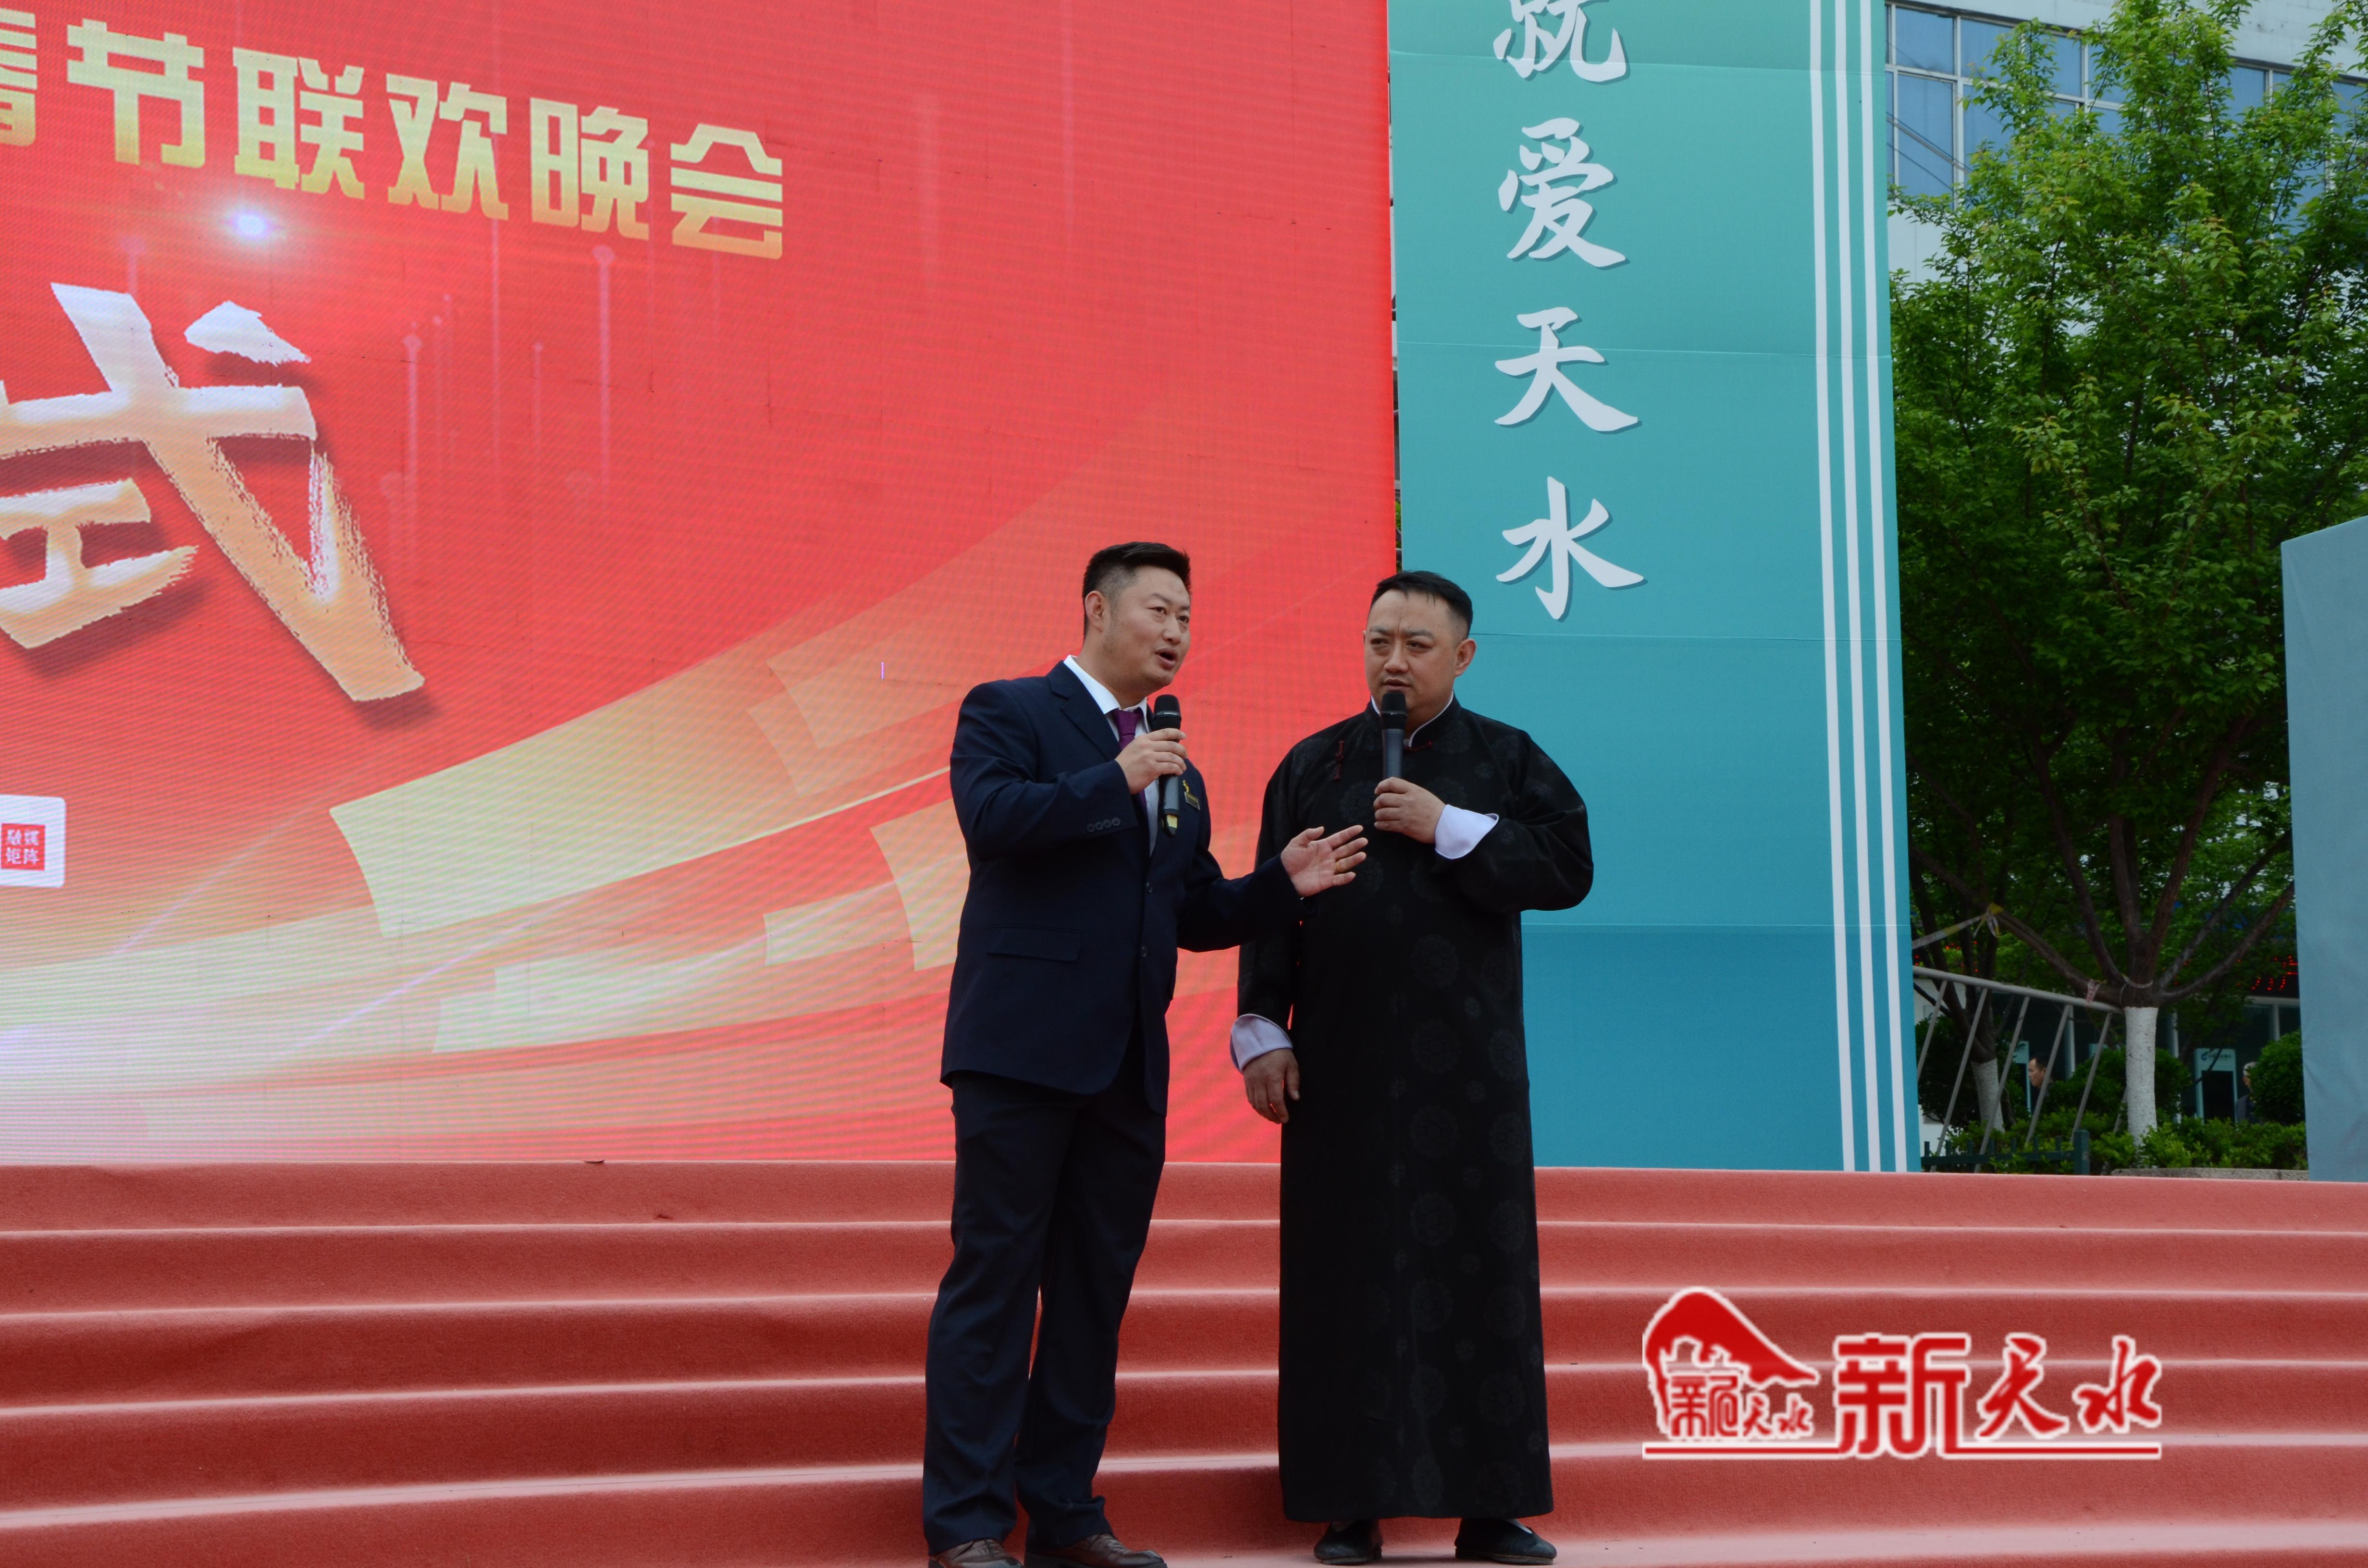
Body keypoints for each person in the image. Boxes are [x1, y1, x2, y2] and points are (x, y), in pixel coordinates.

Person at [923, 541, 1369, 1568]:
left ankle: (1067, 1515)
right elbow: (992, 821)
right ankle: (968, 1523)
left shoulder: (1176, 766)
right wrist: (1111, 777)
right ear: (1096, 609)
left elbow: (1189, 908)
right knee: (996, 1283)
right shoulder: (1010, 711)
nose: (1176, 633)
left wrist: (1280, 885)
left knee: (1093, 1295)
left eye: (1186, 618)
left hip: (1127, 1069)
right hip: (1018, 1056)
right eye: (1158, 611)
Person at [1234, 569, 1594, 1567]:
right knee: (1341, 1277)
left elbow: (1568, 868)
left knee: (1481, 1273)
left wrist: (1448, 826)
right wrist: (1262, 1027)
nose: (1393, 661)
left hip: (1469, 1072)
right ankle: (1350, 1506)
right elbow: (1268, 902)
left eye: (1417, 645)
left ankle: (1492, 1508)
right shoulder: (1312, 764)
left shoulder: (1506, 758)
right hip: (1336, 1064)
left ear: (1463, 656)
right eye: (1379, 641)